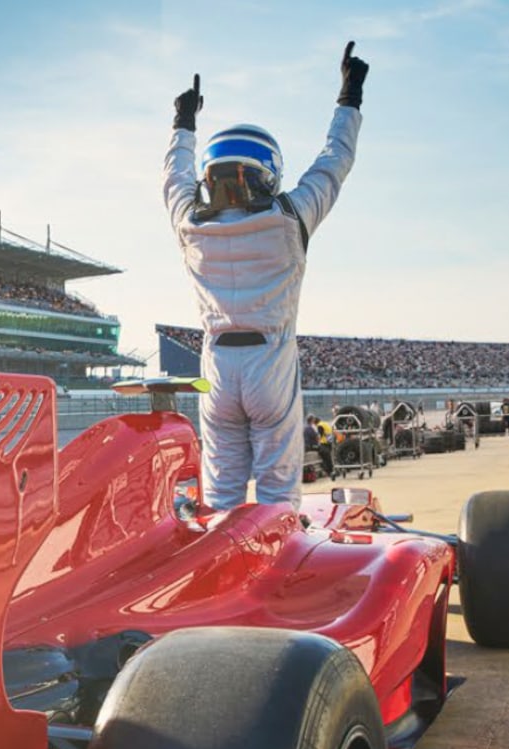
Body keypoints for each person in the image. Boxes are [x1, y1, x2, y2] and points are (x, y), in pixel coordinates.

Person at [163, 42, 368, 512]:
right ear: (269, 173)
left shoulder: (189, 224)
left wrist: (183, 123)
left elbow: (174, 176)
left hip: (215, 367)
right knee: (277, 496)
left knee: (220, 496)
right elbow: (336, 161)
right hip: (270, 364)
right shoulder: (290, 217)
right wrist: (349, 95)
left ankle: (218, 577)